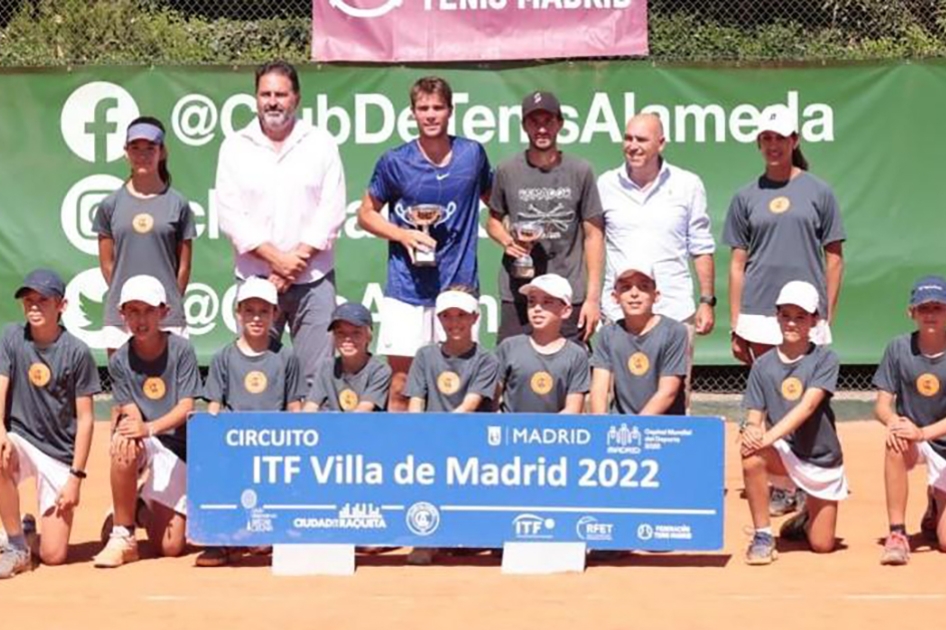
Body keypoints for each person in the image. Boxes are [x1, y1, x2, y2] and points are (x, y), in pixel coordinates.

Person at [357, 76, 492, 411]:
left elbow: (496, 203)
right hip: (407, 288)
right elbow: (365, 215)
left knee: (460, 386)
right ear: (413, 113)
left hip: (458, 286)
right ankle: (402, 458)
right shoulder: (395, 161)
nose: (430, 115)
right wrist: (403, 235)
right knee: (402, 386)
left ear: (450, 111)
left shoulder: (472, 154)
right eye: (423, 108)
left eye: (437, 108)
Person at [216, 60, 347, 384]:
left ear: (297, 98)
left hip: (314, 280)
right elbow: (231, 215)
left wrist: (294, 264)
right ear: (256, 98)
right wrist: (279, 262)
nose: (272, 101)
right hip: (256, 281)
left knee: (317, 380)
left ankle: (319, 436)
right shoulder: (234, 146)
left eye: (281, 94)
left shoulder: (321, 142)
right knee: (257, 378)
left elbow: (331, 210)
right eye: (265, 94)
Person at [597, 113, 716, 407]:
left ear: (660, 143)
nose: (633, 146)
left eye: (641, 139)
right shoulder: (605, 184)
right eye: (628, 138)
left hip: (674, 307)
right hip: (618, 312)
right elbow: (594, 244)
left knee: (676, 398)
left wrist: (706, 300)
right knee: (611, 394)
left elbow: (700, 245)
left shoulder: (688, 184)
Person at [195, 276, 306, 568]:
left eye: (264, 311)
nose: (256, 318)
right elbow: (214, 410)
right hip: (235, 450)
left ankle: (276, 528)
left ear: (274, 314)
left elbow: (294, 407)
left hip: (275, 452)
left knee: (264, 538)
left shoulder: (286, 357)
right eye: (249, 310)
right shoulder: (223, 357)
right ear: (238, 313)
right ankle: (218, 540)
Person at [93, 275, 202, 568]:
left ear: (163, 312)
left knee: (170, 547)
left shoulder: (182, 350)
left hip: (179, 448)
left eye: (148, 311)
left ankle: (137, 505)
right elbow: (131, 413)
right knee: (123, 443)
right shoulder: (119, 361)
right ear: (122, 315)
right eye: (133, 311)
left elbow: (186, 406)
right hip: (147, 440)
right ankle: (124, 534)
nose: (140, 320)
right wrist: (135, 433)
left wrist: (150, 428)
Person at [724, 105, 845, 365]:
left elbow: (834, 260)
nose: (773, 145)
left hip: (806, 312)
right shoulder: (744, 196)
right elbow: (737, 265)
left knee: (804, 394)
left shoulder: (820, 192)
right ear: (759, 143)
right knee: (768, 394)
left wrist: (825, 315)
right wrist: (736, 324)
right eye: (766, 138)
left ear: (795, 140)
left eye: (780, 137)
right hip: (758, 312)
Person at [740, 281, 848, 565]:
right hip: (784, 455)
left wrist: (767, 436)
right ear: (777, 316)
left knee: (822, 545)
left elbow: (808, 406)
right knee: (750, 455)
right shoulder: (762, 366)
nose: (791, 322)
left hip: (822, 459)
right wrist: (751, 431)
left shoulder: (825, 358)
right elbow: (754, 414)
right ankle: (763, 536)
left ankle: (807, 517)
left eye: (800, 316)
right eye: (786, 315)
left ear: (814, 320)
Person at [0, 270, 100, 578]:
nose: (33, 306)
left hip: (59, 454)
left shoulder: (77, 352)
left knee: (54, 556)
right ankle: (16, 544)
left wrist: (75, 479)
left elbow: (85, 420)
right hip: (21, 440)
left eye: (42, 300)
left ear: (62, 306)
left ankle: (28, 532)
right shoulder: (11, 338)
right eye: (28, 300)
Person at [487, 91, 604, 344]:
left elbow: (594, 235)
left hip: (567, 291)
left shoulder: (580, 170)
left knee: (569, 372)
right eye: (534, 122)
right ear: (524, 126)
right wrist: (509, 242)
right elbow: (493, 221)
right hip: (518, 290)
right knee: (513, 371)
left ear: (560, 123)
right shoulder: (507, 170)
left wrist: (593, 298)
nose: (541, 129)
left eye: (548, 121)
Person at [93, 116, 196, 352]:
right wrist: (129, 303)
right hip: (121, 319)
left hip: (167, 317)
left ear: (162, 152)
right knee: (125, 386)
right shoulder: (110, 204)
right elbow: (107, 264)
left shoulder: (178, 203)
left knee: (167, 387)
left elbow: (184, 266)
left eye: (150, 148)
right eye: (135, 148)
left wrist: (165, 305)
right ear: (126, 152)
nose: (143, 155)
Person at [874, 276, 946, 565]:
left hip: (936, 437)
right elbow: (881, 405)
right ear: (911, 312)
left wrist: (923, 432)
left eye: (938, 308)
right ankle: (897, 534)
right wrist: (894, 422)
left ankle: (936, 498)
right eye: (923, 308)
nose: (930, 314)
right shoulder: (897, 348)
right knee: (894, 442)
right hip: (912, 438)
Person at [589, 262, 688, 416]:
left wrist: (637, 427)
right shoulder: (607, 334)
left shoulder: (674, 332)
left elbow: (668, 391)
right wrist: (600, 425)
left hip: (666, 431)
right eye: (626, 288)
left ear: (656, 295)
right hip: (619, 427)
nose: (634, 294)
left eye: (643, 287)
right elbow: (599, 388)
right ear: (615, 297)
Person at [495, 274, 590, 414]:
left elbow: (573, 409)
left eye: (547, 302)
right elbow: (493, 401)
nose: (537, 308)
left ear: (566, 311)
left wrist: (544, 431)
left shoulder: (577, 355)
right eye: (532, 302)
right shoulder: (509, 347)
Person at [406, 286, 499, 415]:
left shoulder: (487, 360)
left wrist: (443, 430)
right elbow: (416, 402)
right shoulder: (424, 355)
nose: (454, 322)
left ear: (475, 318)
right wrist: (418, 429)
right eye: (446, 316)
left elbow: (469, 406)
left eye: (461, 315)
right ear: (439, 318)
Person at [304, 303, 392, 413]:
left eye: (356, 333)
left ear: (369, 337)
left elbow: (363, 410)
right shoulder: (326, 367)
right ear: (334, 337)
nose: (348, 339)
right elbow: (311, 407)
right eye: (341, 333)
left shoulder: (380, 371)